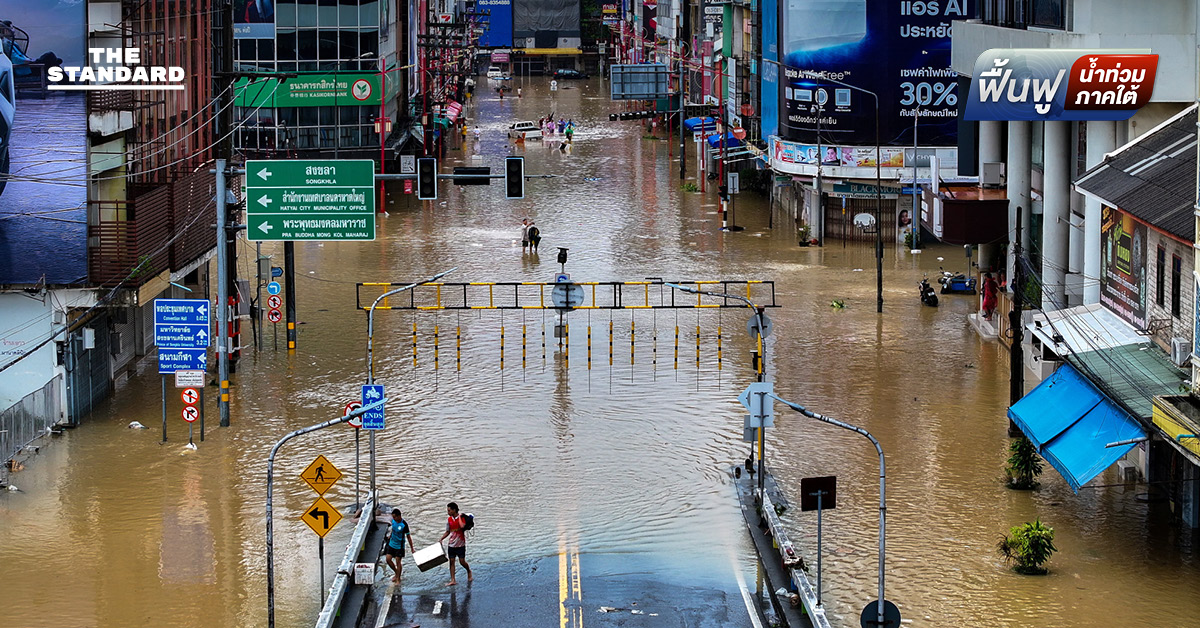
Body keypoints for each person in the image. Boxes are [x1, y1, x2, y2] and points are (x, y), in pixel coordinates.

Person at [439, 502, 473, 585]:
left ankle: (469, 571)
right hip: (451, 544)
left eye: (449, 510)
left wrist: (460, 517)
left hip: (460, 544)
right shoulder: (449, 520)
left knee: (462, 561)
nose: (448, 512)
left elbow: (462, 526)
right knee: (451, 561)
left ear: (454, 510)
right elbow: (448, 531)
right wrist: (441, 539)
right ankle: (453, 580)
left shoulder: (462, 518)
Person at [384, 508, 415, 585]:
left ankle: (398, 578)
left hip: (399, 546)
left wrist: (412, 548)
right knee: (388, 559)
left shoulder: (404, 524)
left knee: (398, 562)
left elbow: (408, 537)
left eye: (395, 517)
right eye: (393, 517)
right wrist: (390, 536)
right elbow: (393, 529)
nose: (393, 518)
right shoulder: (393, 521)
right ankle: (396, 572)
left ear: (399, 516)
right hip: (392, 543)